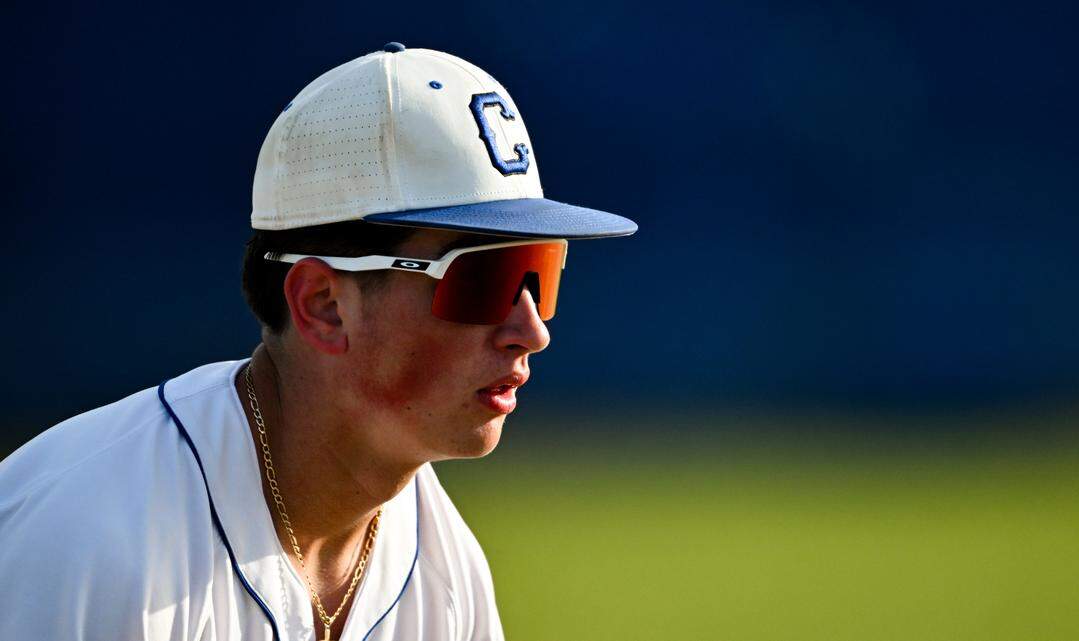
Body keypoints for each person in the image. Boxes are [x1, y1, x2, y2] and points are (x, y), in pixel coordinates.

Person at [0, 43, 636, 641]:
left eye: (541, 274)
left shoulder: (444, 568)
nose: (533, 331)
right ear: (323, 306)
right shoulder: (93, 539)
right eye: (485, 279)